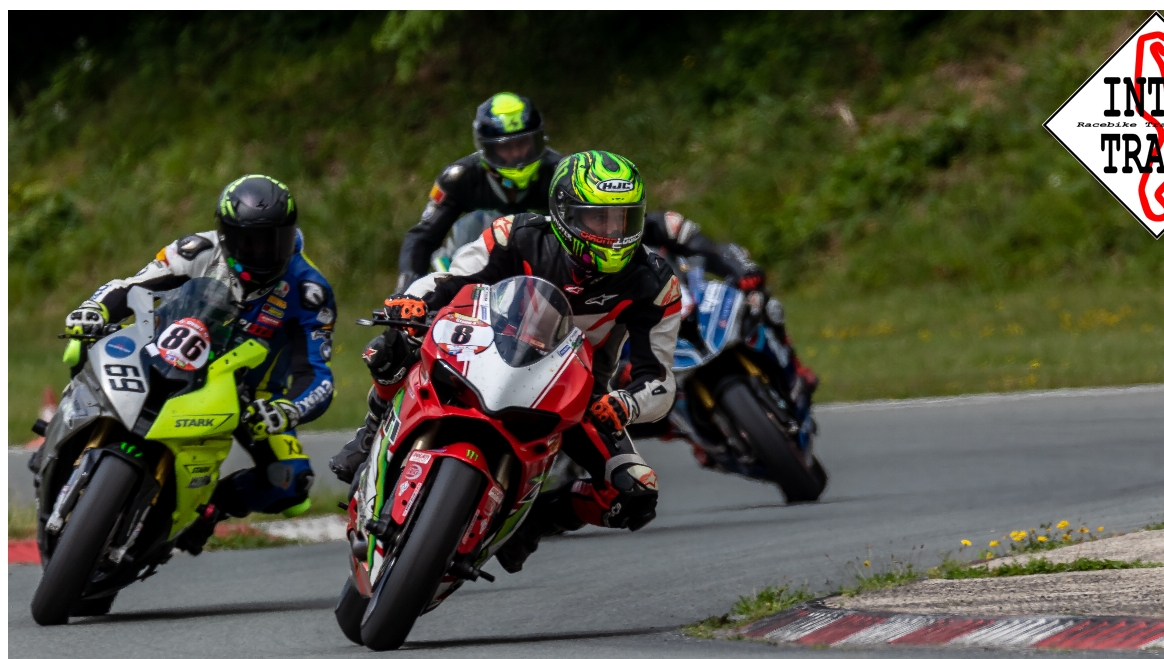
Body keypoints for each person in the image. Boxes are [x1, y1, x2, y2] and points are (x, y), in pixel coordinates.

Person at [331, 151, 680, 572]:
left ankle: (533, 523)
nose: (612, 234)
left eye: (623, 220)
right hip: (482, 350)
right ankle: (369, 435)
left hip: (573, 394)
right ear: (565, 213)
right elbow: (449, 278)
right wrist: (412, 301)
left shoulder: (655, 282)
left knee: (635, 491)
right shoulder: (516, 234)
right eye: (598, 219)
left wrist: (627, 404)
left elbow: (658, 380)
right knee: (391, 344)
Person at [62, 174, 337, 554]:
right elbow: (131, 286)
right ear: (225, 234)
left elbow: (317, 376)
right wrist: (95, 309)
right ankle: (67, 431)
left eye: (273, 240)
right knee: (81, 349)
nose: (261, 252)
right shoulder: (196, 250)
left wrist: (287, 409)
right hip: (165, 347)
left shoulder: (310, 292)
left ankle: (208, 510)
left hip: (248, 393)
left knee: (292, 483)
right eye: (249, 241)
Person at [395, 92, 564, 294]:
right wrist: (407, 286)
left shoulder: (563, 175)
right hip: (472, 275)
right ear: (487, 148)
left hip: (544, 277)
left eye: (523, 143)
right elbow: (423, 237)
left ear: (538, 140)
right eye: (505, 147)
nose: (517, 154)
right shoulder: (458, 178)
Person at [640, 210, 818, 393]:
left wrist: (743, 271)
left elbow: (709, 248)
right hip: (652, 335)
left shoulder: (659, 224)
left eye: (626, 214)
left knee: (761, 302)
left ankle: (796, 369)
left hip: (698, 300)